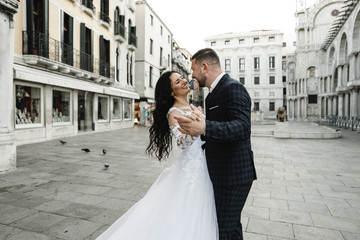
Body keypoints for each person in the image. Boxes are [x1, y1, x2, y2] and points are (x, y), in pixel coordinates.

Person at [96, 71, 218, 240]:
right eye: (177, 82)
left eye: (182, 78)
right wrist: (197, 130)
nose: (183, 81)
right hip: (193, 166)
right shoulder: (174, 112)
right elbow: (181, 142)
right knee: (188, 210)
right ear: (171, 92)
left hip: (204, 162)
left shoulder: (192, 107)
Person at [174, 48, 257, 240]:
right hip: (220, 174)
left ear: (204, 67)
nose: (191, 76)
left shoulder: (233, 87)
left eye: (193, 70)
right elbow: (215, 130)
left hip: (233, 176)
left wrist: (204, 127)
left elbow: (242, 127)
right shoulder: (211, 95)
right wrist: (196, 129)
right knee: (231, 227)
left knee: (221, 231)